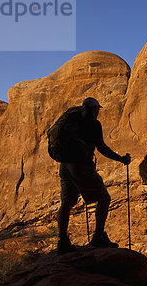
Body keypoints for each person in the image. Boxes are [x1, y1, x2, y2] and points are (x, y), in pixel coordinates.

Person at [56, 97, 131, 254]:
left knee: (67, 203)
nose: (98, 112)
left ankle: (62, 241)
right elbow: (102, 147)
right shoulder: (93, 123)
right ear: (93, 110)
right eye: (97, 109)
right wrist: (121, 159)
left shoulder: (72, 121)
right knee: (104, 198)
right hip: (80, 165)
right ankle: (98, 237)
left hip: (64, 164)